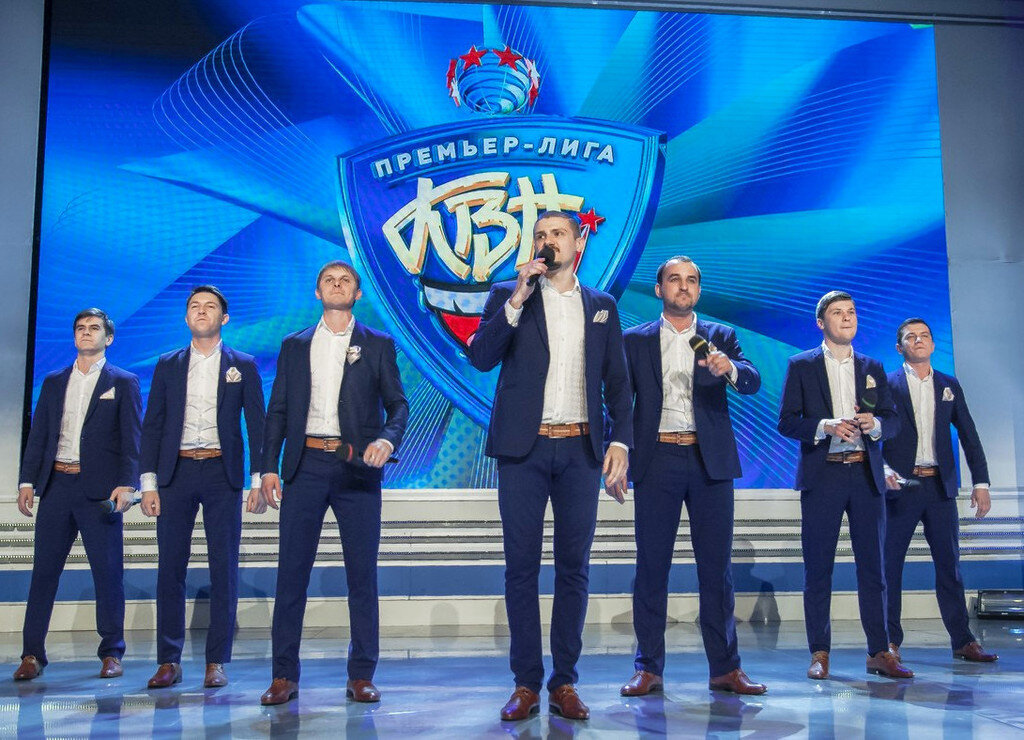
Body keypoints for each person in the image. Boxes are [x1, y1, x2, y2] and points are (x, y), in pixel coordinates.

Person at [466, 210, 632, 721]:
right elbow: (480, 357)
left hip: (580, 450)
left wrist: (621, 442)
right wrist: (517, 297)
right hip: (524, 451)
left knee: (573, 568)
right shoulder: (508, 295)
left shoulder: (601, 306)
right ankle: (525, 683)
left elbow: (618, 384)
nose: (547, 240)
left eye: (557, 233)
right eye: (540, 234)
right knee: (521, 568)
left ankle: (564, 682)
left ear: (577, 243)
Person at [258, 261, 408, 706]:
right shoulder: (294, 345)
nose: (337, 285)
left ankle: (361, 674)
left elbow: (398, 405)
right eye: (329, 280)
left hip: (356, 469)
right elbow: (278, 411)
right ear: (317, 292)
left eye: (345, 281)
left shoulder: (378, 344)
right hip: (304, 466)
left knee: (361, 575)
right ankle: (283, 675)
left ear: (357, 294)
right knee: (291, 574)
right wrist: (267, 467)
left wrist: (386, 439)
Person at [617, 256, 767, 697]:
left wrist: (730, 369)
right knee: (651, 567)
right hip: (657, 458)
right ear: (659, 289)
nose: (683, 286)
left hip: (709, 462)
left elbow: (752, 380)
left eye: (691, 281)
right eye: (674, 279)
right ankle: (648, 668)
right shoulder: (634, 340)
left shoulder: (720, 336)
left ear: (698, 291)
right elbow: (619, 401)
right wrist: (618, 451)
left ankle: (725, 668)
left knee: (716, 569)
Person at [777, 291, 912, 680]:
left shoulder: (872, 366)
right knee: (818, 568)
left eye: (851, 312)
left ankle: (879, 651)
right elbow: (786, 421)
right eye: (838, 313)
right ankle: (819, 652)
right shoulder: (801, 365)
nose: (847, 317)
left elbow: (892, 419)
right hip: (824, 476)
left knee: (874, 568)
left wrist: (876, 425)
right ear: (821, 323)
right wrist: (826, 426)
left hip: (865, 475)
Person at [139, 285, 267, 689]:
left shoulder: (242, 365)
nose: (201, 311)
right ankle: (168, 660)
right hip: (175, 474)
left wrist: (257, 480)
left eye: (210, 306)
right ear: (186, 317)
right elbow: (153, 425)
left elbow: (257, 425)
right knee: (170, 568)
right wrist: (148, 483)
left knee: (223, 567)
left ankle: (216, 661)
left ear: (223, 318)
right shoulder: (168, 364)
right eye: (194, 306)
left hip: (220, 473)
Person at [14, 308, 141, 681]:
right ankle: (32, 654)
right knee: (44, 573)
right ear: (74, 337)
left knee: (108, 573)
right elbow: (39, 435)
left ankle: (111, 652)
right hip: (56, 486)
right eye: (81, 328)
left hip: (99, 491)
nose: (86, 332)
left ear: (108, 338)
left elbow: (132, 439)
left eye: (94, 328)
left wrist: (128, 484)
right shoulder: (54, 381)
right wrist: (27, 481)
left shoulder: (124, 382)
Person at [882, 317, 996, 663]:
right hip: (900, 489)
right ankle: (889, 643)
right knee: (889, 568)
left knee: (949, 566)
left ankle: (963, 640)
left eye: (924, 336)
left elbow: (969, 435)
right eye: (911, 337)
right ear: (899, 347)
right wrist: (883, 470)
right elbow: (870, 434)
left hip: (940, 489)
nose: (919, 340)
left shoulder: (949, 384)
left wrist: (981, 483)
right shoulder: (886, 384)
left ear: (932, 344)